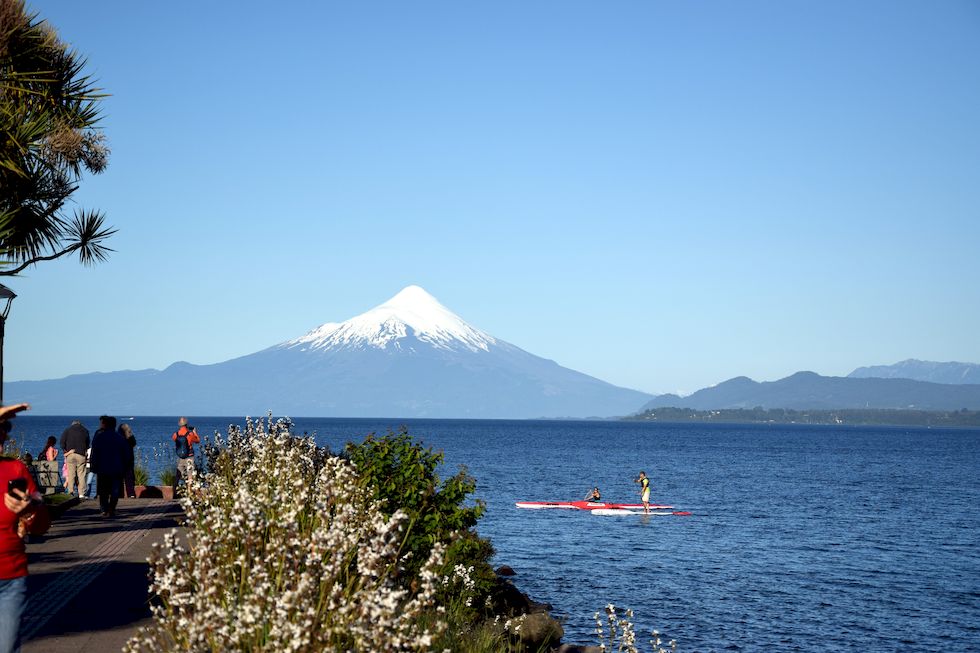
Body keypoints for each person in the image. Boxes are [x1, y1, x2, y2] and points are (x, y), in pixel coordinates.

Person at [0, 403, 50, 653]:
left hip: (10, 577)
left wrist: (29, 511)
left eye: (3, 430)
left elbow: (42, 527)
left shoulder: (15, 469)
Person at [89, 416, 130, 518]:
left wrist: (93, 465)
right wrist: (125, 467)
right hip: (117, 468)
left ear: (105, 424)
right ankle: (111, 509)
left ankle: (104, 509)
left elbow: (94, 452)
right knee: (115, 490)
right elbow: (126, 454)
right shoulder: (120, 438)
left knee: (103, 490)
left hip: (103, 467)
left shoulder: (99, 437)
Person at [59, 420, 90, 498]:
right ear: (80, 424)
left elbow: (62, 443)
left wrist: (67, 451)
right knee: (81, 475)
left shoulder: (67, 430)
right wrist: (85, 450)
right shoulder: (85, 430)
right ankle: (81, 494)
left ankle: (70, 492)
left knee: (71, 474)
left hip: (71, 454)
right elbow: (88, 443)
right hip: (81, 454)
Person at [172, 417, 200, 491]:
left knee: (178, 475)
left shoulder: (176, 434)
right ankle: (189, 492)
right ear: (187, 424)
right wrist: (195, 432)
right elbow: (197, 440)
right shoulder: (190, 434)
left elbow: (174, 439)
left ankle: (174, 492)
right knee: (190, 476)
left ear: (179, 424)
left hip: (180, 457)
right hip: (189, 457)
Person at [119, 423, 137, 498]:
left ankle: (120, 494)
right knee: (129, 478)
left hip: (120, 460)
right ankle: (131, 493)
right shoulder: (131, 438)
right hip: (129, 460)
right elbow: (134, 444)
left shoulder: (118, 437)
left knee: (119, 479)